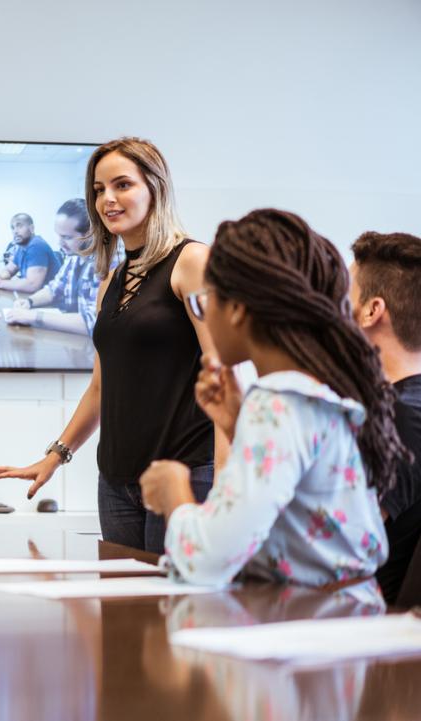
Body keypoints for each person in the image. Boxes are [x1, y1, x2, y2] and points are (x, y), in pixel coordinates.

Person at [139, 209, 406, 588]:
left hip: (307, 628)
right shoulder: (317, 394)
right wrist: (236, 424)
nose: (202, 314)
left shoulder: (277, 405)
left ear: (237, 310)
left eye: (204, 302)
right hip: (345, 620)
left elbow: (209, 561)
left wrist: (174, 493)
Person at [0, 137, 222, 553]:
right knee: (124, 615)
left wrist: (231, 482)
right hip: (116, 483)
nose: (107, 200)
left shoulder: (191, 262)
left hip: (184, 474)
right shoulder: (110, 283)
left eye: (122, 185)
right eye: (98, 190)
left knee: (171, 612)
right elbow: (101, 387)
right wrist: (55, 456)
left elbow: (225, 376)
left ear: (155, 188)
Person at [349, 231, 421, 604]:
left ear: (372, 311)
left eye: (345, 298)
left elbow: (341, 551)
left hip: (360, 629)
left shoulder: (400, 418)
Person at [4, 199, 121, 336]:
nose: (59, 243)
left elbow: (94, 321)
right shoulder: (74, 256)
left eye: (67, 237)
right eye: (58, 235)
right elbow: (54, 289)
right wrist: (29, 302)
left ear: (90, 234)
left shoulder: (110, 263)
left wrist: (34, 316)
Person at [0, 213, 60, 293]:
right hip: (34, 297)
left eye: (19, 226)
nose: (15, 231)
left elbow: (32, 285)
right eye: (13, 228)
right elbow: (9, 270)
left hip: (50, 301)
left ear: (32, 228)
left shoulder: (37, 246)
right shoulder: (22, 247)